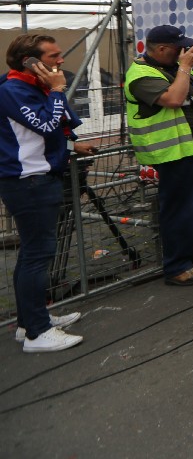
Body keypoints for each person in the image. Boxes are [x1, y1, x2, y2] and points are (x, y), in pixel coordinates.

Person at [0, 34, 94, 352]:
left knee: (32, 254)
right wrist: (56, 90)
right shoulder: (13, 90)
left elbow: (45, 132)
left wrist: (71, 145)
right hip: (29, 182)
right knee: (37, 255)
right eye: (54, 56)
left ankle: (29, 321)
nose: (61, 60)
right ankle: (37, 333)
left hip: (37, 178)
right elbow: (46, 125)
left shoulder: (31, 87)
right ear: (30, 61)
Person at [125, 25, 193, 286]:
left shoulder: (175, 69)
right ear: (161, 49)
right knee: (181, 210)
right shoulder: (141, 74)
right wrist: (185, 67)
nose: (185, 52)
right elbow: (173, 99)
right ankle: (177, 265)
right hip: (176, 152)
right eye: (179, 48)